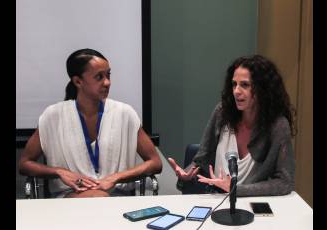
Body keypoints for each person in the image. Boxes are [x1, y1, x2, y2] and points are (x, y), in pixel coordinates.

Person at [19, 48, 162, 198]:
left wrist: (116, 177)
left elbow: (155, 162)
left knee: (100, 197)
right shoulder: (53, 116)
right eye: (99, 77)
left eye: (108, 75)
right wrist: (59, 172)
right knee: (97, 197)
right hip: (70, 197)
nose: (107, 82)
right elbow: (25, 163)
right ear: (78, 81)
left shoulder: (124, 113)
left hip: (118, 198)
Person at [168, 55, 296, 196]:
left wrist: (235, 189)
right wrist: (187, 174)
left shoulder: (277, 125)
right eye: (234, 84)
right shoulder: (222, 112)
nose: (236, 91)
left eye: (245, 85)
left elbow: (285, 182)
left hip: (251, 202)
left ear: (263, 89)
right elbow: (201, 160)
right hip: (215, 198)